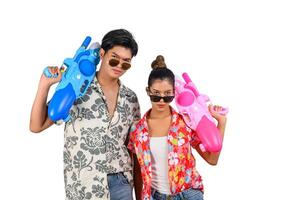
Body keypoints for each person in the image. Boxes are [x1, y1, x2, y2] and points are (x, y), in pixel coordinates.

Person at [30, 29, 141, 200]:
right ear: (102, 54)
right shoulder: (77, 86)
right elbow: (36, 126)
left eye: (126, 63)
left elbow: (133, 148)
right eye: (114, 59)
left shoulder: (130, 98)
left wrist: (140, 194)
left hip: (121, 183)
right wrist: (44, 85)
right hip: (83, 185)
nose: (119, 66)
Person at [128, 55, 227, 200]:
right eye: (156, 95)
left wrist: (221, 123)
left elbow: (212, 160)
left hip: (189, 195)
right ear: (148, 91)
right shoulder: (137, 130)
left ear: (174, 93)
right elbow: (138, 169)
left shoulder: (186, 123)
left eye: (167, 95)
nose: (161, 100)